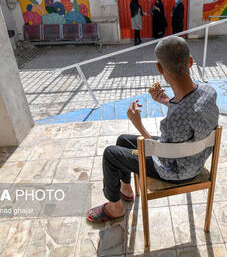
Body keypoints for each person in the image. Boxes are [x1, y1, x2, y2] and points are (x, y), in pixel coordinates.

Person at [86, 36, 219, 223]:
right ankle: (125, 189)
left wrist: (138, 123)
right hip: (195, 158)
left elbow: (162, 155)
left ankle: (114, 208)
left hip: (176, 171)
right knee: (123, 139)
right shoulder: (209, 91)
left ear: (159, 68)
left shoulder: (172, 121)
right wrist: (166, 100)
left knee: (110, 154)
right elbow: (190, 112)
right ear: (190, 62)